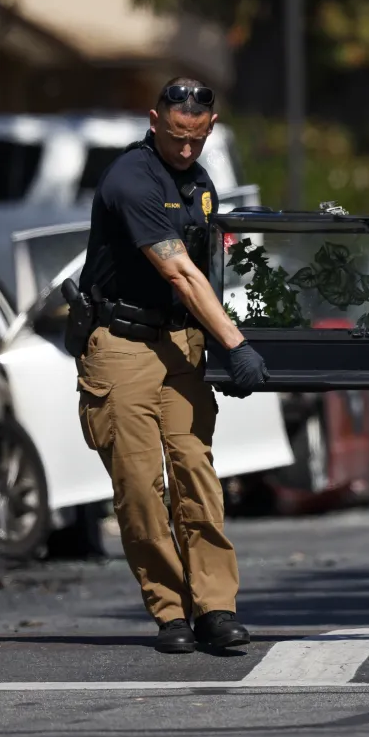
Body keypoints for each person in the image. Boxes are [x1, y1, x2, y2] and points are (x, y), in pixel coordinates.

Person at [77, 79, 269, 654]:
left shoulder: (199, 180)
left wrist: (221, 342)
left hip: (180, 344)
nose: (186, 150)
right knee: (140, 485)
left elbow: (213, 264)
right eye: (177, 137)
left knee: (196, 474)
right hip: (123, 343)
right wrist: (235, 345)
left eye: (197, 139)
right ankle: (169, 610)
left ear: (209, 128)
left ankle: (214, 608)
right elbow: (180, 271)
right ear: (154, 120)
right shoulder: (131, 178)